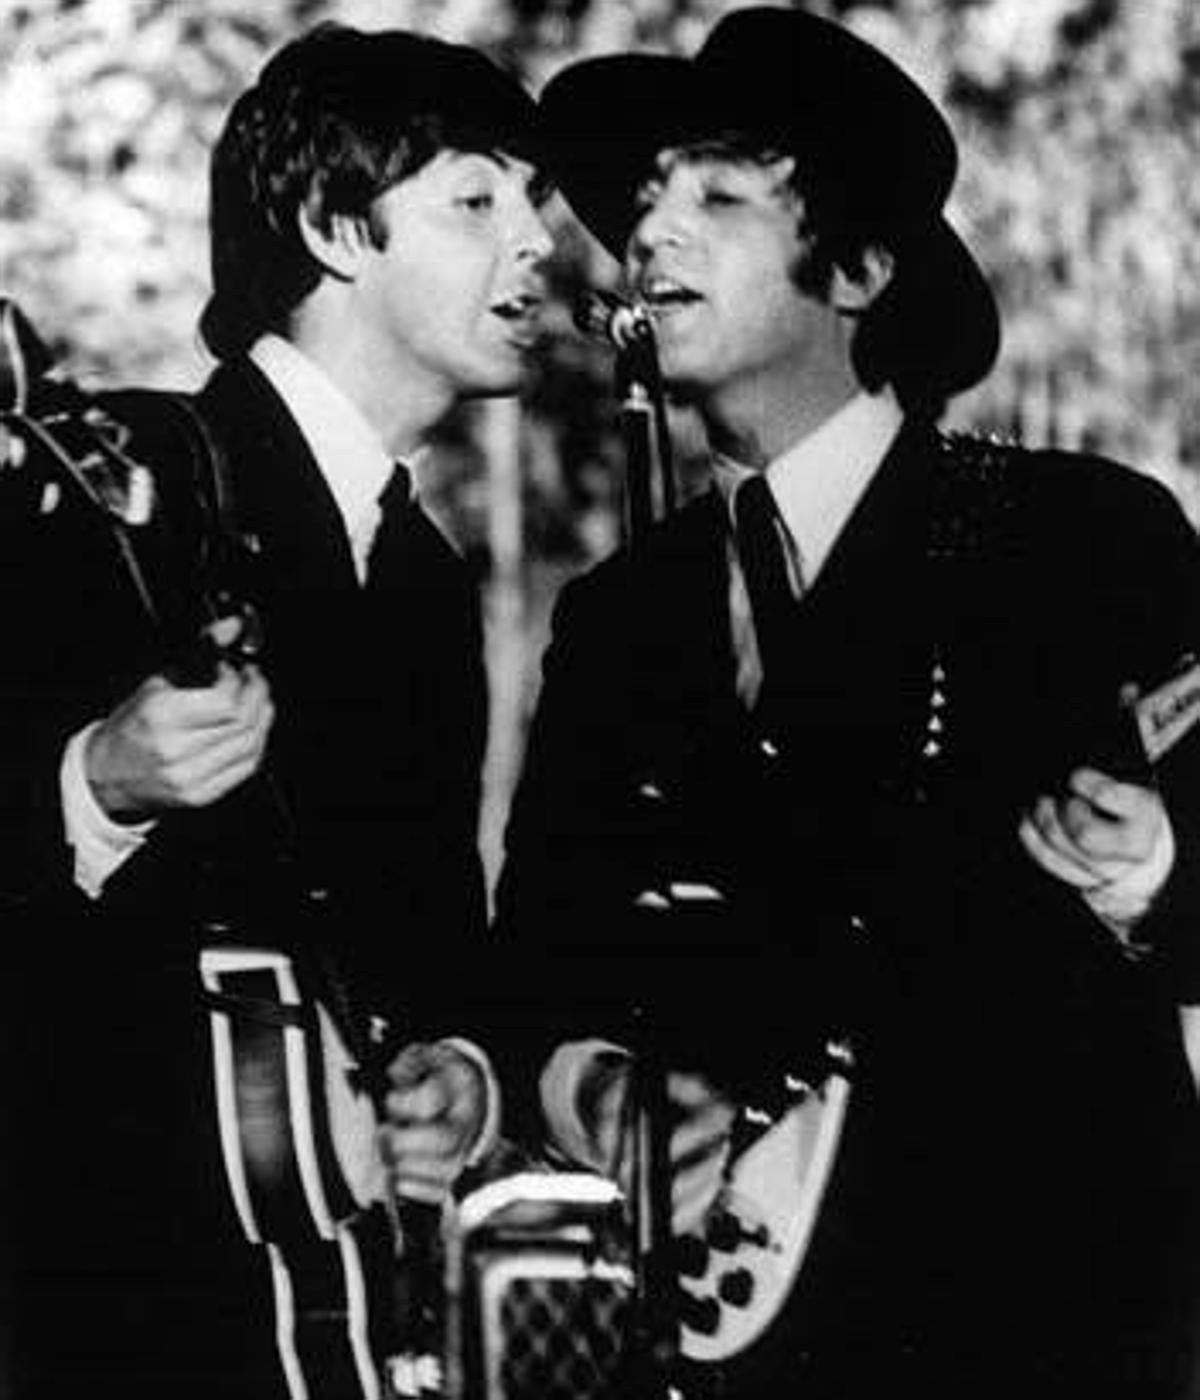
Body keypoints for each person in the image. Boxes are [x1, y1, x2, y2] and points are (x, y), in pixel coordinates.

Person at [494, 10, 1200, 1399]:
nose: (650, 235)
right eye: (644, 201)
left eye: (718, 196)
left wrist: (1150, 875)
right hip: (735, 1334)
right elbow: (540, 956)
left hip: (1053, 1315)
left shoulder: (1082, 536)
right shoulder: (620, 613)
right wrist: (594, 1090)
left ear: (862, 270)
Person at [4, 22, 551, 1397]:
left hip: (331, 1326)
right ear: (333, 227)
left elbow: (430, 942)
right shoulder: (118, 486)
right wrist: (91, 784)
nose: (538, 243)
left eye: (531, 201)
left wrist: (460, 1074)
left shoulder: (425, 569)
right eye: (478, 201)